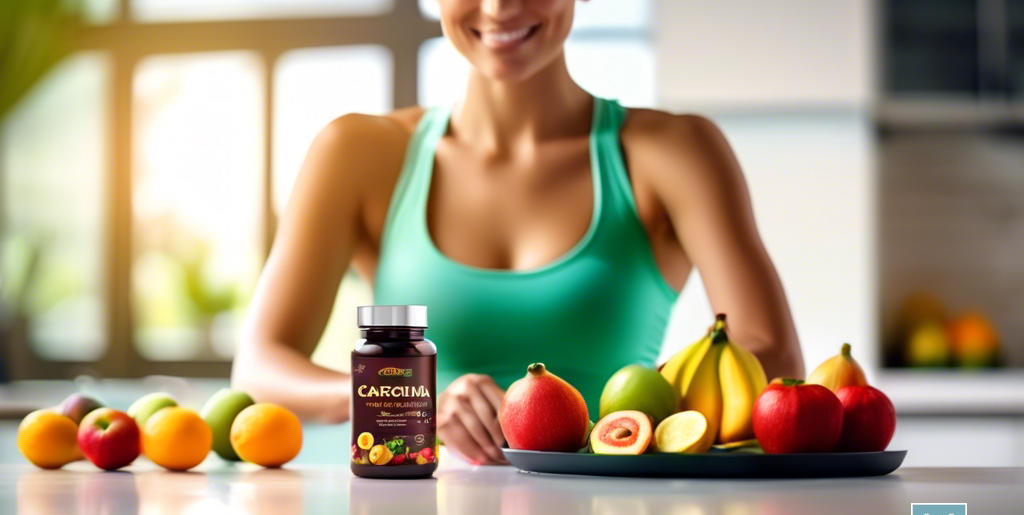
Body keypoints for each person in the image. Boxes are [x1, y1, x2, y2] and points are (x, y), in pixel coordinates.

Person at [232, 0, 804, 465]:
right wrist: (413, 401)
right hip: (413, 509)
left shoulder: (674, 152)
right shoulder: (359, 153)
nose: (500, 6)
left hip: (616, 509)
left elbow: (775, 356)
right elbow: (261, 365)